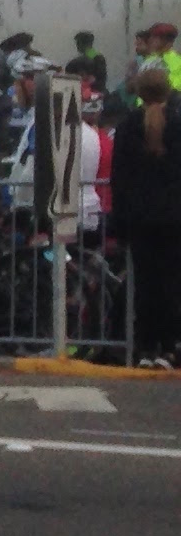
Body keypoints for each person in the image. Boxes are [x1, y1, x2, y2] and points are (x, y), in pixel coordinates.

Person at [113, 63, 181, 367]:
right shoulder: (177, 123)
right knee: (171, 284)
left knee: (144, 285)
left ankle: (145, 348)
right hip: (174, 219)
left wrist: (120, 222)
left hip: (139, 220)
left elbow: (119, 178)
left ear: (139, 93)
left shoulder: (127, 126)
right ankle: (170, 347)